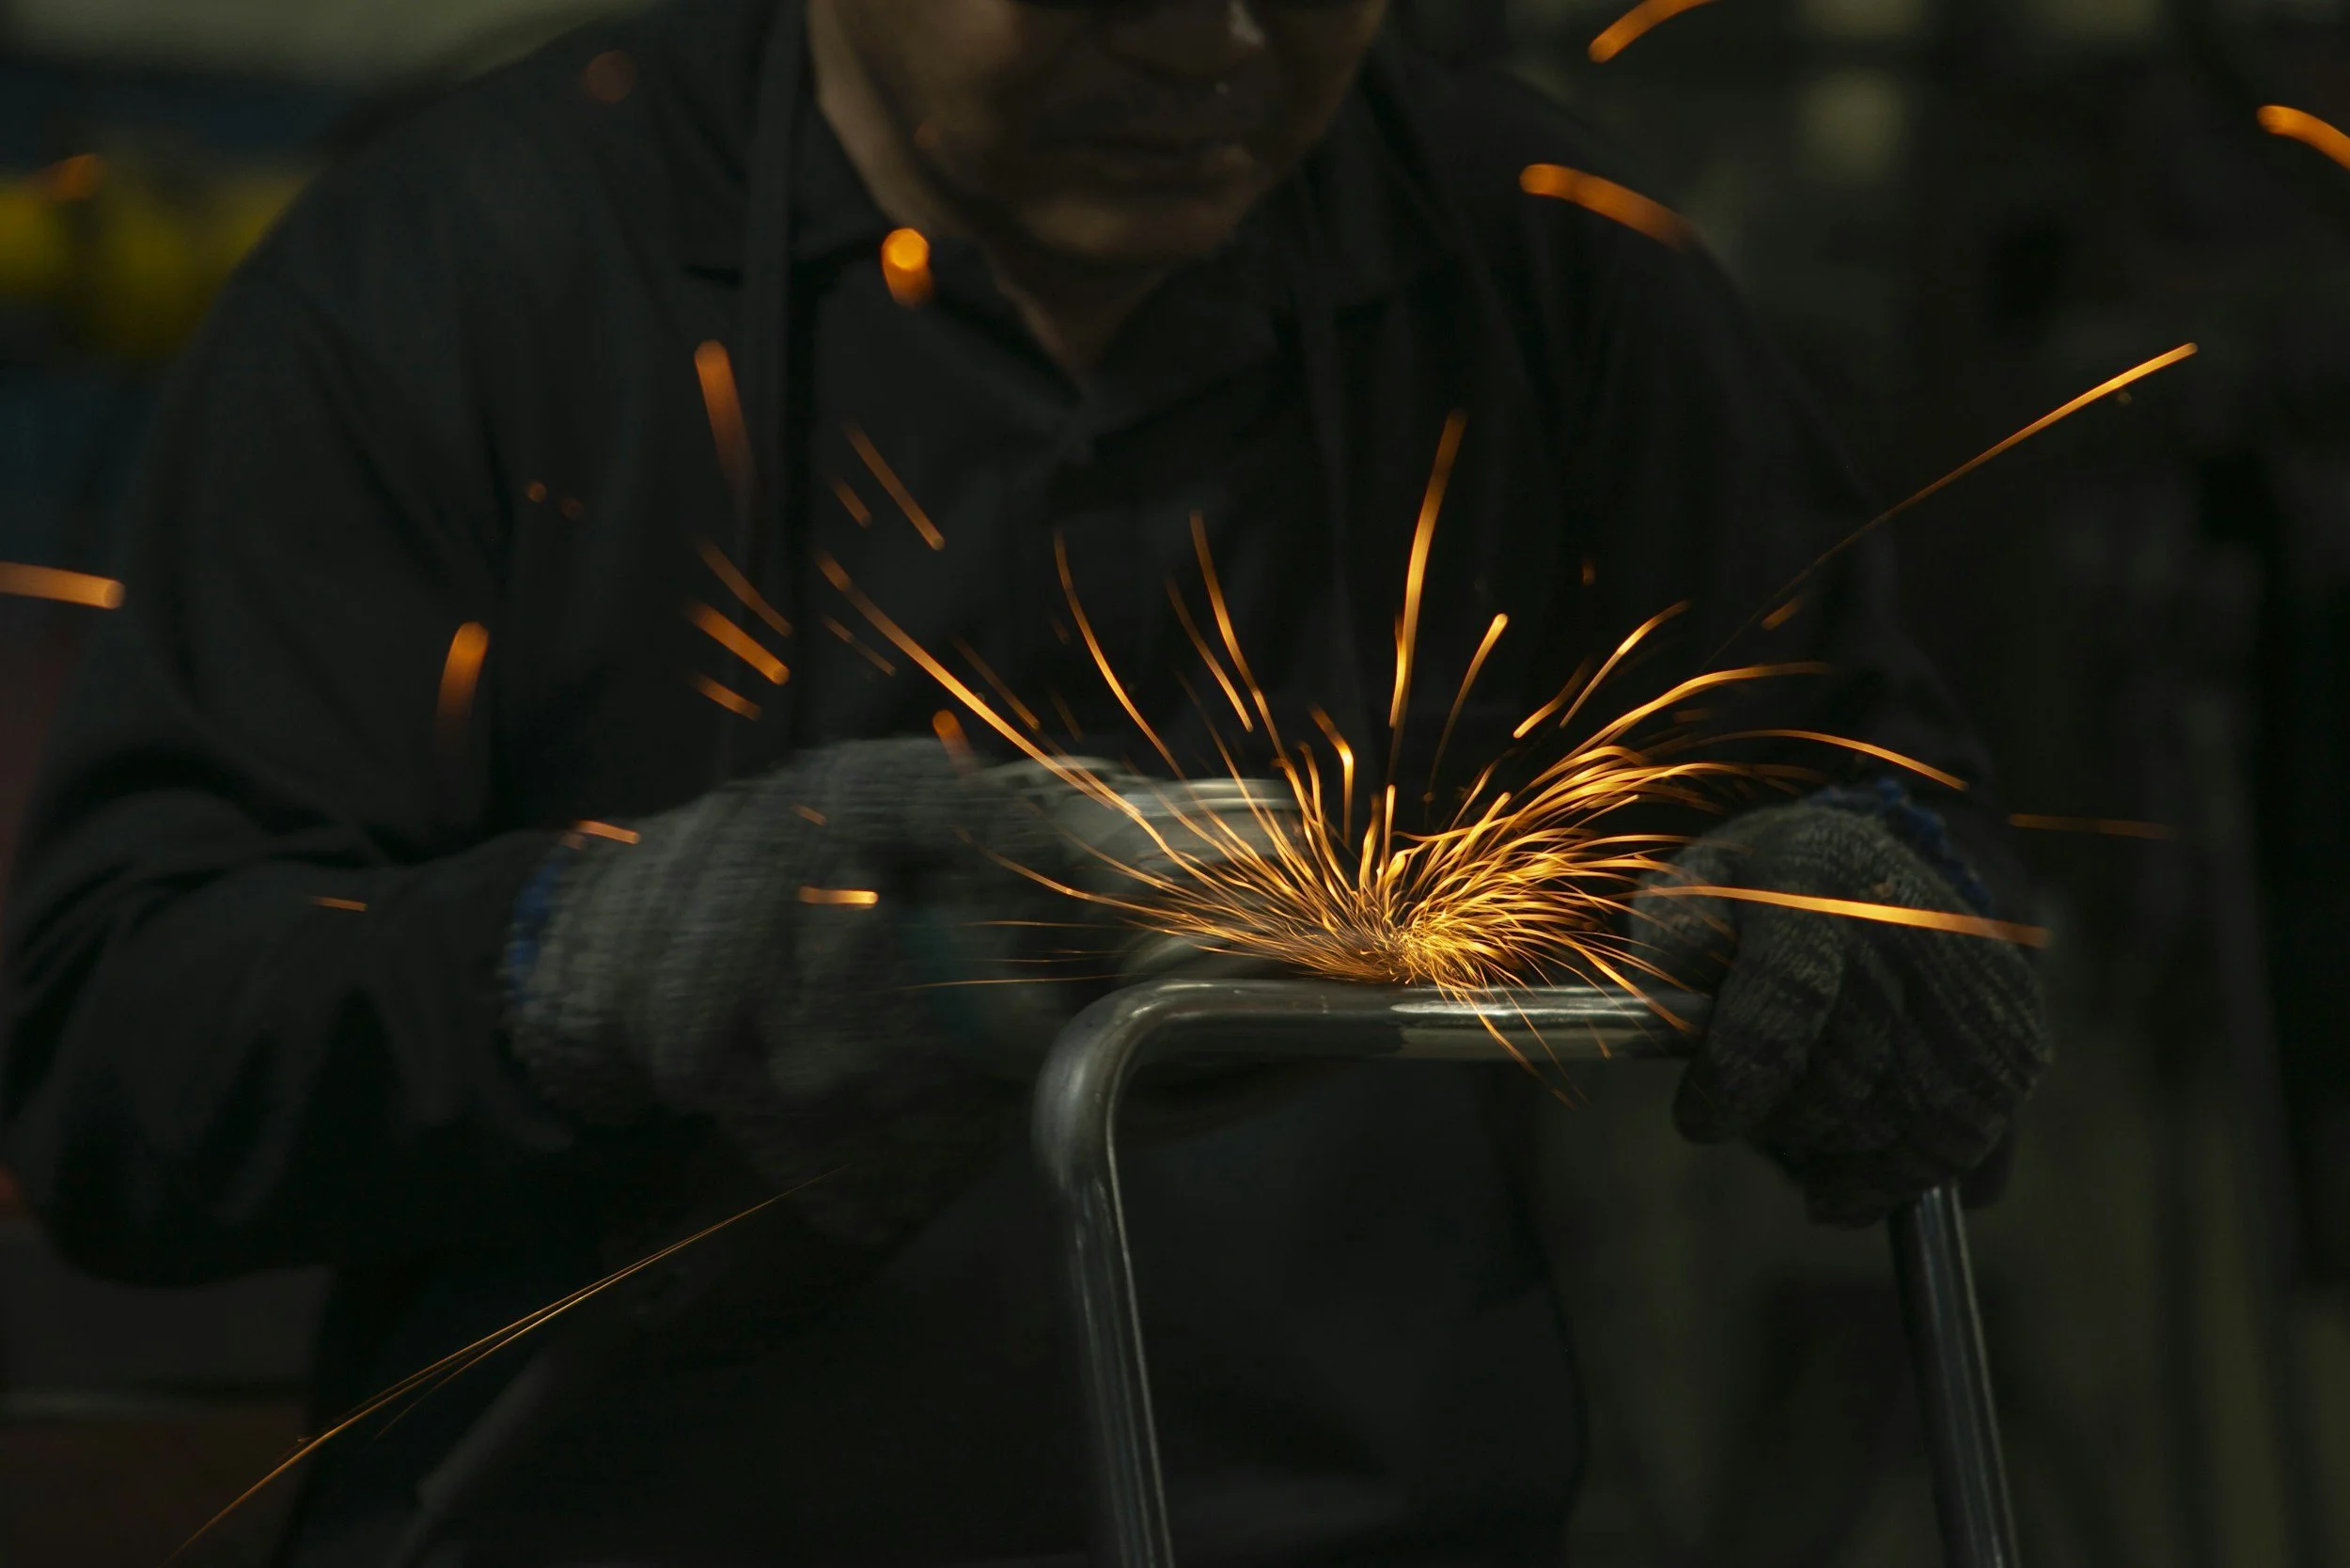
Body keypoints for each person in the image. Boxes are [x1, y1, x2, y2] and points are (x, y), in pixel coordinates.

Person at [0, 0, 2047, 1562]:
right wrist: (596, 963)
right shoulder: (455, 284)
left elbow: (1886, 796)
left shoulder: (1540, 272)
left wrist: (1871, 907)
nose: (1216, 50)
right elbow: (124, 1064)